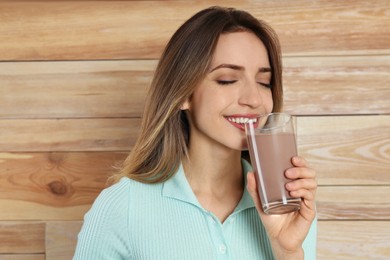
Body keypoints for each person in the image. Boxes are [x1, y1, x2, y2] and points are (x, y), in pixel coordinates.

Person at [74, 6, 317, 260]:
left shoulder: (290, 203)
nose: (254, 99)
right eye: (227, 80)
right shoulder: (123, 207)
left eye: (264, 82)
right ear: (184, 94)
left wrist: (288, 251)